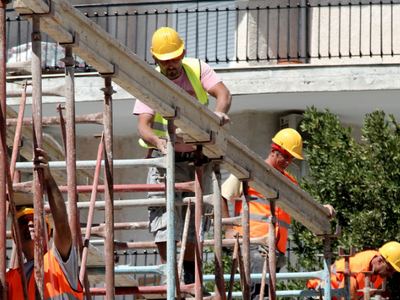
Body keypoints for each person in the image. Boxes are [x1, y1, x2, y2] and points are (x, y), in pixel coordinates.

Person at [133, 27, 232, 285]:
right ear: (155, 59)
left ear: (183, 54)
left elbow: (223, 94)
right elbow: (143, 126)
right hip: (166, 160)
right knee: (163, 215)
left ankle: (187, 276)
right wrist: (158, 141)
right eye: (165, 61)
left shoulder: (197, 69)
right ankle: (171, 275)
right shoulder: (150, 80)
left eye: (175, 59)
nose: (171, 65)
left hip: (197, 159)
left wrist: (218, 114)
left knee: (194, 217)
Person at [221, 128, 335, 300]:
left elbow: (302, 206)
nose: (288, 161)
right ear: (273, 151)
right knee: (260, 295)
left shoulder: (289, 182)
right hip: (254, 243)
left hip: (275, 248)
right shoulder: (251, 172)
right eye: (285, 155)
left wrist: (321, 209)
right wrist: (229, 229)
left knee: (264, 294)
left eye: (291, 157)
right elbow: (223, 195)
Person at [7, 148, 83, 299]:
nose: (30, 224)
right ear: (16, 239)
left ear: (48, 235)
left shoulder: (59, 261)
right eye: (23, 222)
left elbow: (62, 224)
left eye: (35, 221)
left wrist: (48, 180)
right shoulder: (10, 279)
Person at [307, 241, 400, 300]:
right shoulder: (357, 271)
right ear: (380, 261)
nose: (390, 275)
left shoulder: (379, 265)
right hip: (319, 294)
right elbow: (347, 297)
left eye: (393, 271)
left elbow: (381, 286)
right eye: (389, 270)